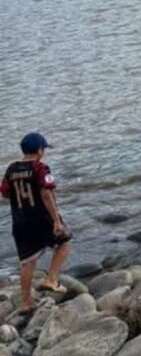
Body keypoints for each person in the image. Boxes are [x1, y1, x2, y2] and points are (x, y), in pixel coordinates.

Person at [1, 133, 71, 313]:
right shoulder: (40, 168)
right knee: (64, 243)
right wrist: (56, 220)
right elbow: (47, 194)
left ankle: (26, 302)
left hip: (20, 221)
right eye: (44, 149)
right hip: (41, 218)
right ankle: (51, 279)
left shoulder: (11, 169)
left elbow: (5, 193)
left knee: (27, 262)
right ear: (40, 150)